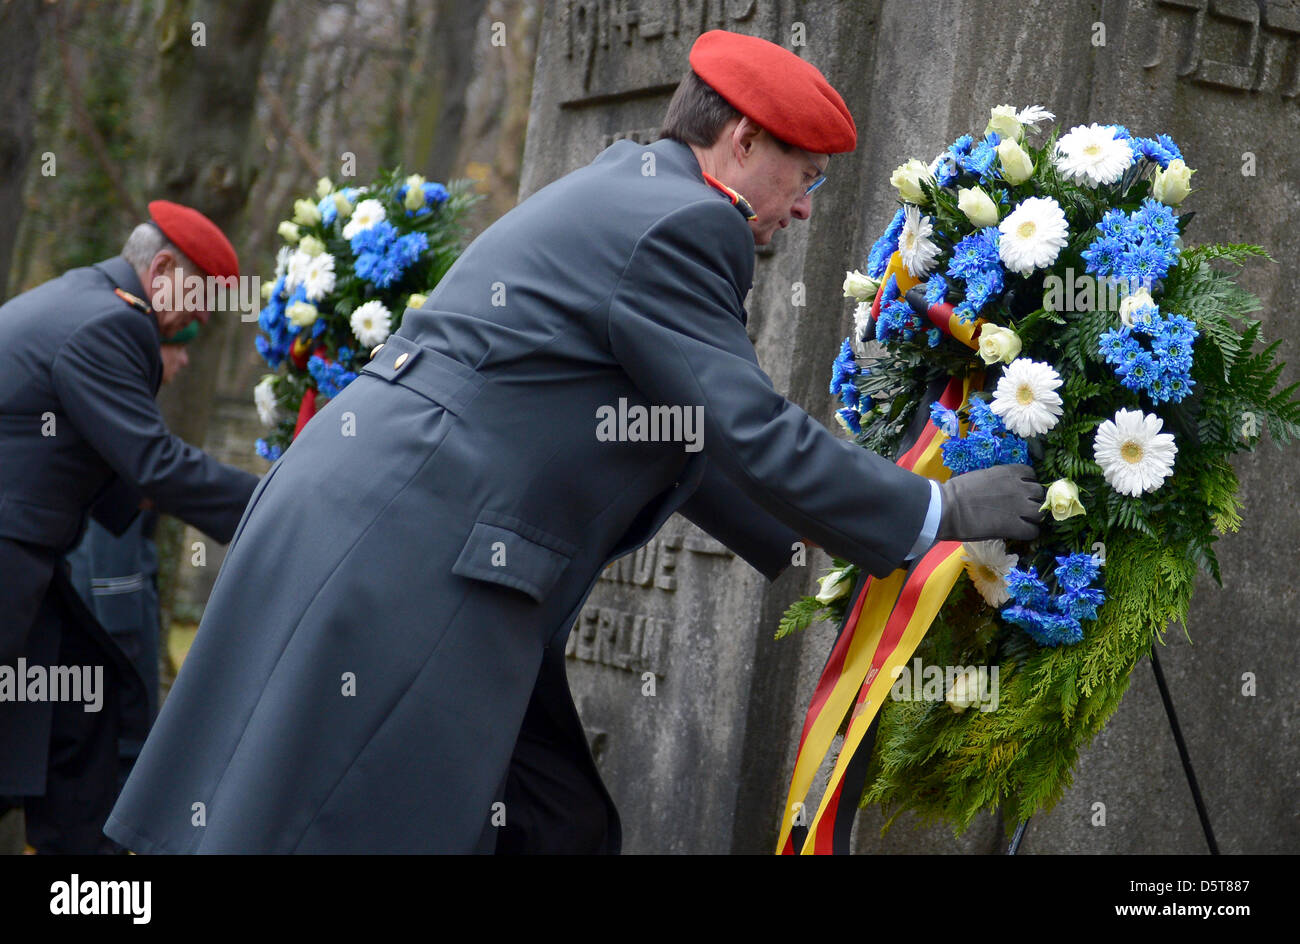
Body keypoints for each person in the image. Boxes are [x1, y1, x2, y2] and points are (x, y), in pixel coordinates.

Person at [106, 31, 1043, 855]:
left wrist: (836, 552)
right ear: (744, 140)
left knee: (552, 821)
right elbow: (745, 422)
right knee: (331, 818)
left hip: (394, 527)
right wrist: (936, 510)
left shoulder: (631, 186)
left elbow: (687, 433)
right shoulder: (686, 225)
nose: (803, 209)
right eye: (805, 178)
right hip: (415, 554)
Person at [0, 201, 259, 853]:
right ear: (165, 269)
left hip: (24, 555)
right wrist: (278, 505)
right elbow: (154, 463)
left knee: (86, 711)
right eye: (198, 311)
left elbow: (110, 468)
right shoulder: (116, 325)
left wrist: (152, 495)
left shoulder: (80, 297)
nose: (195, 329)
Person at [63, 320, 200, 806]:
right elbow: (110, 540)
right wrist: (125, 632)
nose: (184, 361)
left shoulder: (128, 407)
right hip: (111, 620)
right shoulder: (122, 416)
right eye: (175, 348)